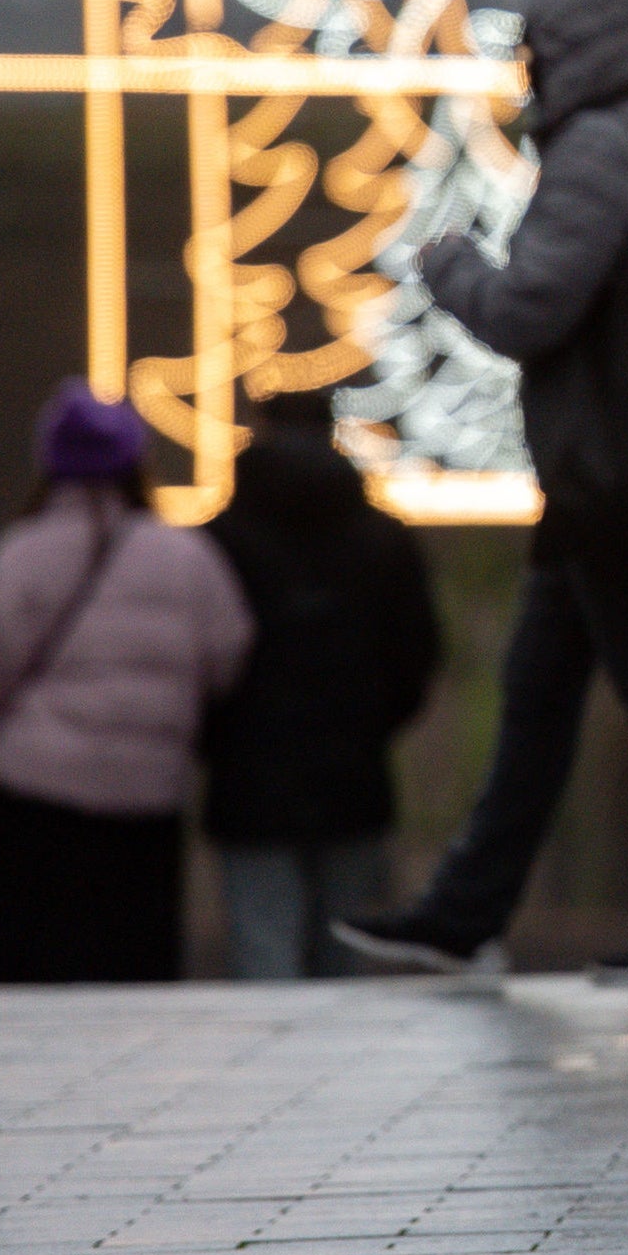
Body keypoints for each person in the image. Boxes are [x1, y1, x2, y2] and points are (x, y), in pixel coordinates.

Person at [335, 0, 628, 985]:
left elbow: (531, 308)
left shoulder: (599, 150)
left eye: (537, 53)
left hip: (604, 469)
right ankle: (465, 912)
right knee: (540, 691)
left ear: (571, 54)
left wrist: (449, 269)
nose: (528, 75)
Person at [0, 382, 253, 982]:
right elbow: (228, 657)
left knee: (28, 989)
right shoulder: (188, 558)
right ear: (136, 462)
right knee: (129, 987)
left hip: (33, 802)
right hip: (146, 805)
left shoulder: (20, 555)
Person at [202, 388, 443, 978]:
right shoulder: (385, 541)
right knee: (343, 960)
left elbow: (197, 663)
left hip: (248, 778)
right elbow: (416, 657)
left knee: (264, 952)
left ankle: (270, 1072)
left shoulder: (220, 540)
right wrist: (368, 725)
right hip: (353, 775)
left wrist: (216, 740)